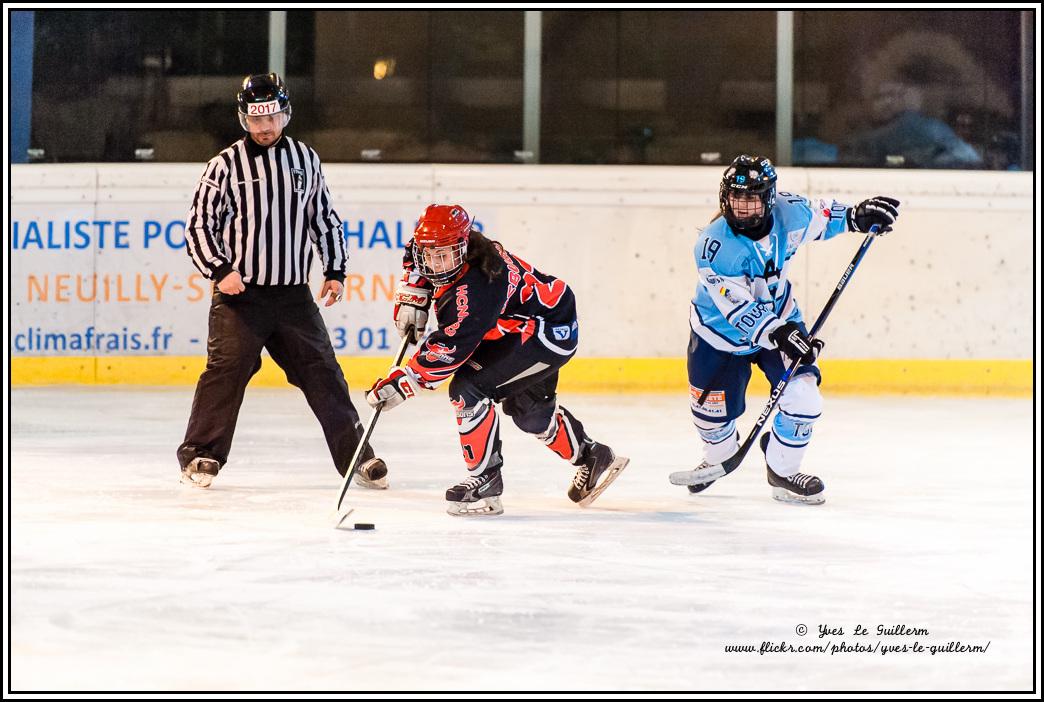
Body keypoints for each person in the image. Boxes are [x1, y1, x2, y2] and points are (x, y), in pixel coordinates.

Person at [177, 73, 388, 490]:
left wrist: (334, 269)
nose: (265, 127)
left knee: (324, 372)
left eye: (271, 117)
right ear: (244, 120)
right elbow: (199, 226)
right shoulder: (223, 166)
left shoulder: (306, 159)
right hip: (241, 296)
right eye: (256, 120)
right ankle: (201, 454)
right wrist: (220, 270)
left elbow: (323, 217)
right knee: (227, 371)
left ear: (285, 114)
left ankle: (357, 460)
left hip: (293, 296)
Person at [365, 204, 629, 516]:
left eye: (444, 255)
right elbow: (415, 255)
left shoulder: (477, 287)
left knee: (468, 389)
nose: (435, 264)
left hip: (546, 332)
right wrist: (413, 291)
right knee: (528, 411)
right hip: (519, 326)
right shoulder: (437, 247)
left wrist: (404, 381)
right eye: (430, 256)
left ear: (462, 248)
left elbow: (449, 351)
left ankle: (485, 479)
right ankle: (592, 455)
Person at [669, 155, 900, 504]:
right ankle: (716, 456)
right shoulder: (714, 247)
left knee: (804, 398)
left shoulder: (789, 211)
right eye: (735, 199)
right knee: (714, 432)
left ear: (769, 198)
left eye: (751, 200)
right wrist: (780, 334)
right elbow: (738, 309)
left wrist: (857, 217)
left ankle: (781, 468)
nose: (742, 208)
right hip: (718, 337)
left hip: (781, 320)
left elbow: (824, 216)